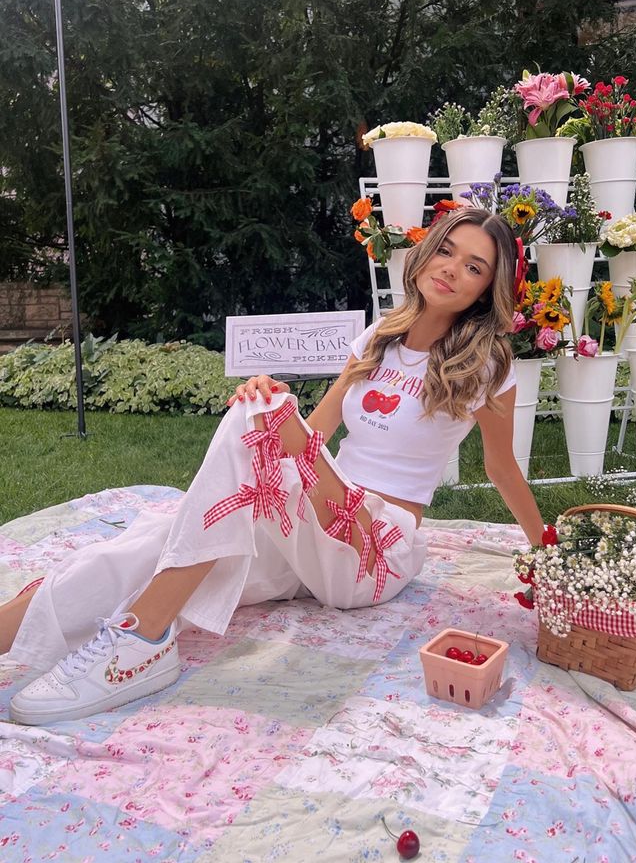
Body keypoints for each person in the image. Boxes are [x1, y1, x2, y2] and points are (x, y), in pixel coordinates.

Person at [3, 207, 545, 726]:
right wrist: (273, 411)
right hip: (311, 521)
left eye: (474, 266)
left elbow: (501, 468)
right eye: (446, 251)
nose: (452, 269)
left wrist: (545, 547)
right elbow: (319, 431)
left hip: (377, 545)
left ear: (484, 290)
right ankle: (24, 633)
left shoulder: (488, 364)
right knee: (160, 541)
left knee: (255, 419)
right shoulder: (378, 338)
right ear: (425, 254)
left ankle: (143, 642)